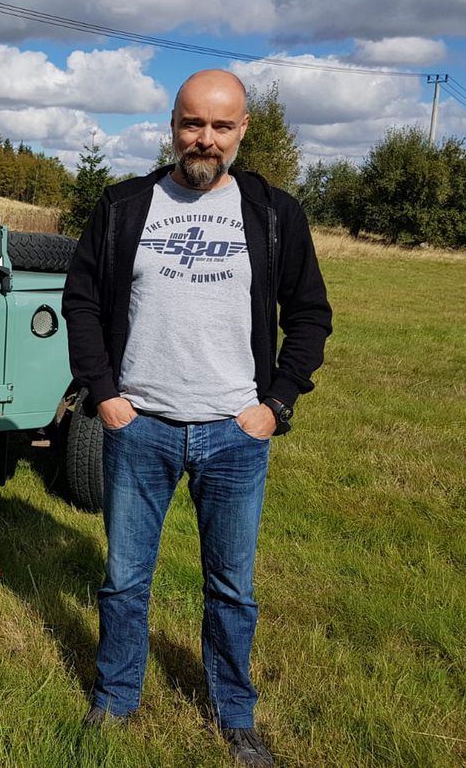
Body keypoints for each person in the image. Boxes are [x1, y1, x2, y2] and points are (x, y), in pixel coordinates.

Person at [61, 69, 332, 766]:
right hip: (138, 426)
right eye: (191, 123)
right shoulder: (125, 206)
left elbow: (309, 316)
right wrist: (104, 394)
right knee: (124, 578)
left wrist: (275, 405)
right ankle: (116, 700)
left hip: (234, 434)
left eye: (219, 126)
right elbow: (83, 303)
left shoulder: (275, 214)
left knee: (232, 588)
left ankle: (234, 714)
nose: (203, 139)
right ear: (172, 124)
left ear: (243, 130)